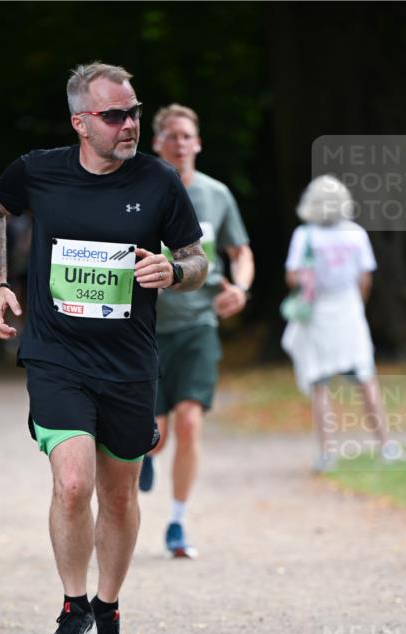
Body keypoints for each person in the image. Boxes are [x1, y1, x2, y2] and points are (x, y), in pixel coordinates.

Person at [0, 63, 207, 634]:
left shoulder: (158, 181)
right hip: (57, 357)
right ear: (81, 122)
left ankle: (109, 611)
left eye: (133, 112)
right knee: (73, 484)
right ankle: (74, 606)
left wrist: (173, 272)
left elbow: (196, 259)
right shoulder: (40, 171)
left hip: (129, 363)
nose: (129, 124)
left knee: (119, 492)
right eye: (114, 115)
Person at [139, 104, 254, 558]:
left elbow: (240, 251)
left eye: (188, 136)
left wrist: (241, 289)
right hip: (146, 327)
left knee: (189, 421)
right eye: (171, 137)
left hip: (198, 325)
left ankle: (178, 523)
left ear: (198, 143)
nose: (180, 144)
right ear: (157, 144)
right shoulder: (139, 192)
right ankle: (147, 453)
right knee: (157, 432)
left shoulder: (217, 195)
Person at [281, 174, 392, 472]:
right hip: (349, 310)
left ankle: (328, 451)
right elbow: (365, 278)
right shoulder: (356, 234)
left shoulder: (305, 235)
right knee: (366, 378)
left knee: (320, 383)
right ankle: (385, 444)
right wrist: (357, 305)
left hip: (317, 312)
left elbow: (292, 275)